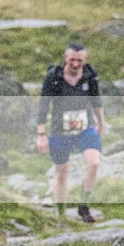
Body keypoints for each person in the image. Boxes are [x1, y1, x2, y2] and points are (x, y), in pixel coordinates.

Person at [36, 42, 104, 222]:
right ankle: (60, 214)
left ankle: (84, 207)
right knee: (61, 172)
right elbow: (43, 105)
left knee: (94, 164)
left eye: (80, 61)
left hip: (85, 128)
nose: (75, 64)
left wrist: (101, 123)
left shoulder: (90, 75)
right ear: (65, 58)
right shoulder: (53, 78)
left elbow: (96, 101)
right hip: (60, 130)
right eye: (72, 60)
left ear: (85, 60)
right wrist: (41, 134)